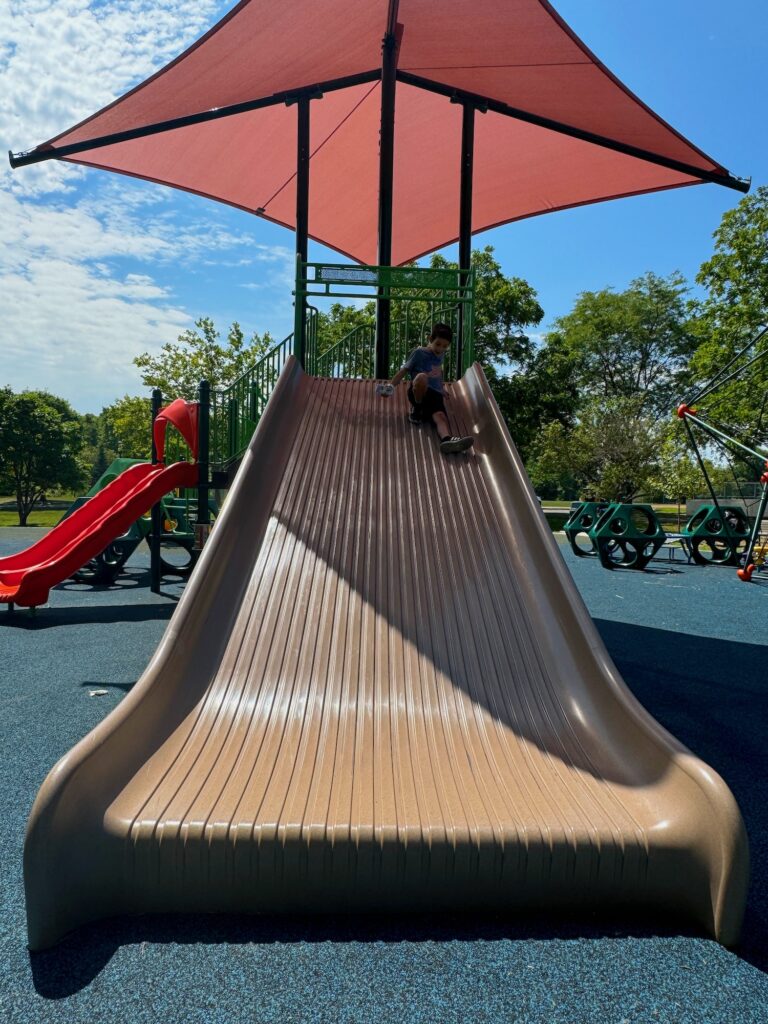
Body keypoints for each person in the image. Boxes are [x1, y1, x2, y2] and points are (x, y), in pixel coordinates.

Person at [377, 323, 474, 454]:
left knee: (440, 416)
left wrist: (441, 387)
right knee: (422, 377)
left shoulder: (441, 355)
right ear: (430, 339)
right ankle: (417, 408)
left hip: (435, 394)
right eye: (438, 344)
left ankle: (447, 440)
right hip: (419, 391)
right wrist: (390, 387)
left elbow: (439, 371)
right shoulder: (419, 353)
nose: (440, 349)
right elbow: (404, 370)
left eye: (445, 346)